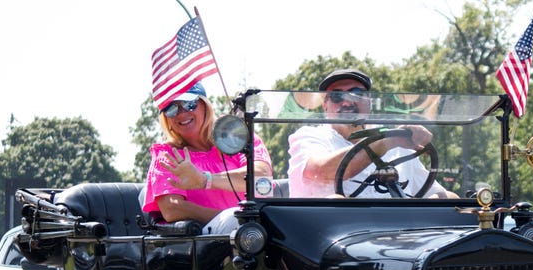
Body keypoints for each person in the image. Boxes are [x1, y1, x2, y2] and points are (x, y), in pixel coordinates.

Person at [287, 68, 453, 198]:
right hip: (333, 236)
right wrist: (385, 142)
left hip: (399, 235)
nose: (347, 102)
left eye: (356, 94)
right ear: (325, 105)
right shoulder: (309, 137)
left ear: (369, 102)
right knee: (335, 202)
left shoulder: (396, 141)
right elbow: (319, 172)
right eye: (337, 96)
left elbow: (433, 193)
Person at [143, 82, 273, 233]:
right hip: (208, 241)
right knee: (236, 223)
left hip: (257, 228)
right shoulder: (168, 154)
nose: (182, 113)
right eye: (171, 109)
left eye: (189, 104)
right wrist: (237, 218)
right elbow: (172, 208)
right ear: (166, 119)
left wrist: (205, 180)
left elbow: (262, 178)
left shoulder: (236, 135)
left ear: (205, 105)